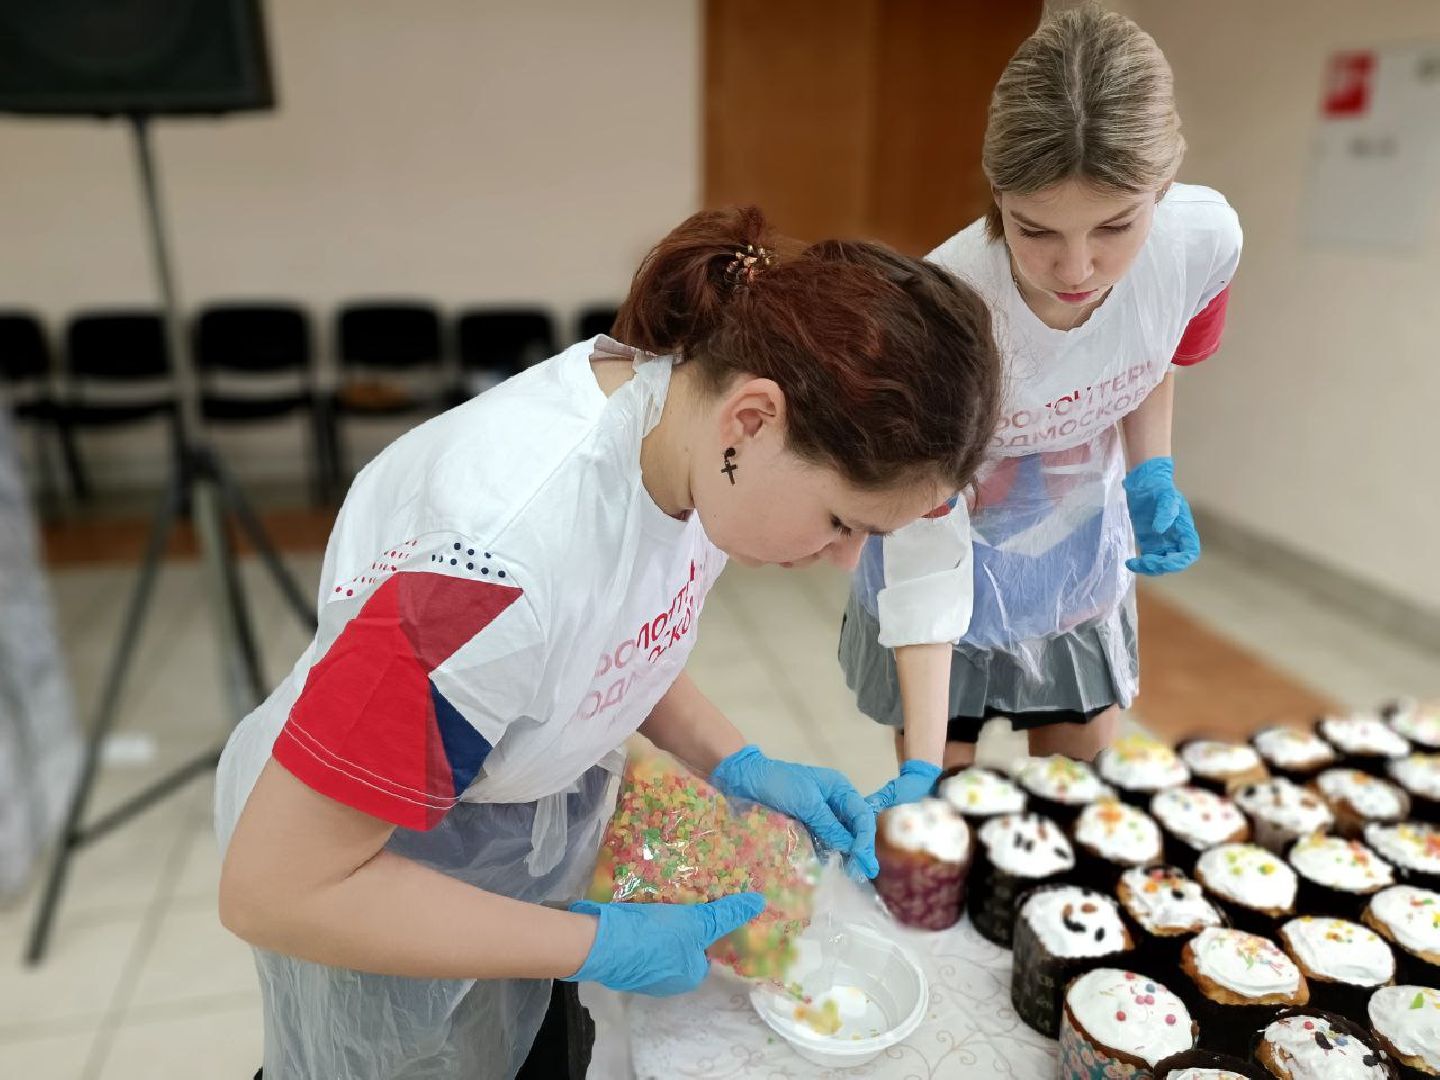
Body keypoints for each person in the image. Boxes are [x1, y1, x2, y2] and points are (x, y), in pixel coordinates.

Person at [215, 204, 1002, 1078]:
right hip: (370, 858)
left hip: (500, 818)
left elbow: (601, 628)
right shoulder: (486, 570)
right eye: (840, 522)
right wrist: (589, 941)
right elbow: (276, 888)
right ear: (754, 419)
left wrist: (737, 761)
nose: (842, 560)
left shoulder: (687, 429)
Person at [851, 2, 1243, 809]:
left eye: (1115, 225)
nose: (1077, 266)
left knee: (1077, 805)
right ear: (996, 192)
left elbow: (1151, 354)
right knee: (946, 815)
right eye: (1034, 230)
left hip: (1074, 544)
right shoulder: (948, 307)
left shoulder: (1202, 244)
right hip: (947, 542)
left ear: (1162, 187)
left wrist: (1152, 471)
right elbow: (924, 542)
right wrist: (922, 769)